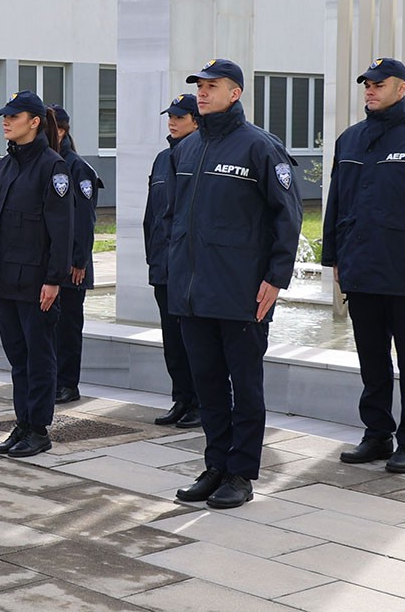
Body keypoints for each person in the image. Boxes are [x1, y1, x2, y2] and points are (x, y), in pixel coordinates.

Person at [165, 58, 302, 509]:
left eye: (212, 86)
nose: (202, 93)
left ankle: (241, 473)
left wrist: (275, 278)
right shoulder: (186, 149)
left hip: (242, 292)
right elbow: (174, 221)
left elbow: (288, 216)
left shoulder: (259, 147)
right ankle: (216, 465)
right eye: (199, 86)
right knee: (207, 386)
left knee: (244, 386)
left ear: (235, 93)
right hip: (192, 292)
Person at [323, 58, 405, 475]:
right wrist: (335, 257)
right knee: (371, 358)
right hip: (361, 269)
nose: (370, 90)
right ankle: (376, 434)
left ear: (402, 88)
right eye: (367, 84)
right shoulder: (350, 140)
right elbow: (336, 201)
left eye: (379, 84)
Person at [0, 92, 73, 458]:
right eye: (4, 115)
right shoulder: (5, 166)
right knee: (18, 357)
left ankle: (39, 428)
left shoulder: (53, 167)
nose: (5, 121)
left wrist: (54, 279)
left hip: (36, 283)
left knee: (39, 357)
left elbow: (61, 230)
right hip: (5, 280)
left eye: (13, 116)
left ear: (34, 122)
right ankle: (23, 421)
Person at [144, 94, 201, 429]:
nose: (172, 122)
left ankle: (202, 403)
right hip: (164, 267)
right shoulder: (162, 159)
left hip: (191, 270)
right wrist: (154, 259)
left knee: (195, 342)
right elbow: (152, 215)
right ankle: (182, 399)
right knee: (173, 342)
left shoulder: (202, 155)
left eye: (180, 117)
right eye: (171, 117)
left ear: (195, 119)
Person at [48, 104, 102, 404]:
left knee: (68, 327)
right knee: (52, 327)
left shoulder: (77, 167)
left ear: (61, 130)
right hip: (52, 263)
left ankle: (68, 383)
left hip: (72, 266)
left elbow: (84, 219)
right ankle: (53, 379)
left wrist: (79, 260)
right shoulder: (49, 162)